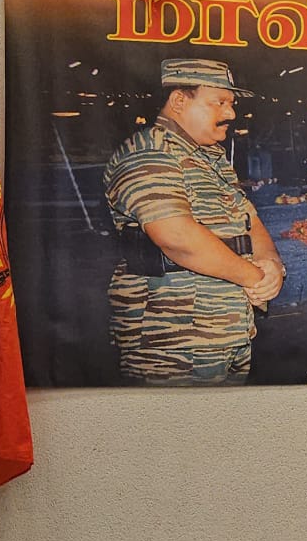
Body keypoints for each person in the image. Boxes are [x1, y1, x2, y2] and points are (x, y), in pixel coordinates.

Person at [105, 59, 284, 385]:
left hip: (227, 331)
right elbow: (177, 238)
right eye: (220, 102)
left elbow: (250, 222)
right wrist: (254, 277)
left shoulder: (212, 158)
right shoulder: (150, 151)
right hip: (172, 339)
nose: (231, 113)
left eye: (232, 103)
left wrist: (271, 265)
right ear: (179, 101)